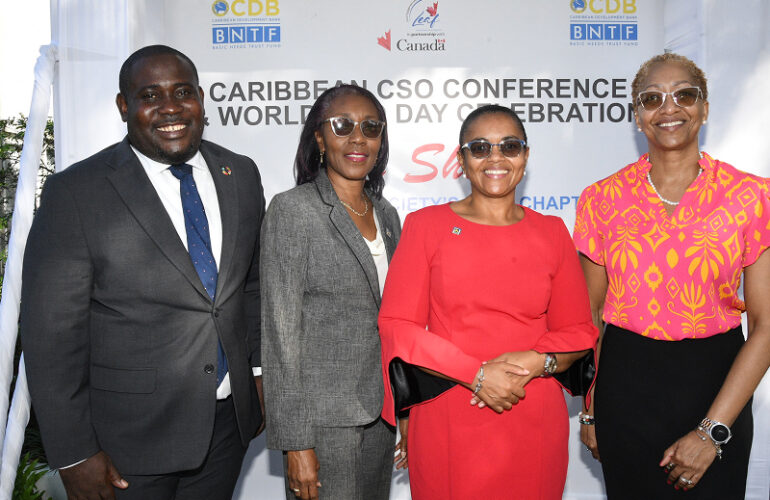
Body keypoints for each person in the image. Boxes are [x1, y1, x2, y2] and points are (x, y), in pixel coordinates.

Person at [20, 45, 265, 500]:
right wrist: (74, 453)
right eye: (150, 95)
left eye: (182, 92)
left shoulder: (241, 175)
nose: (170, 107)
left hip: (226, 431)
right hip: (125, 444)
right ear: (124, 106)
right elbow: (50, 337)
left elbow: (249, 286)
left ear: (201, 99)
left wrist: (256, 370)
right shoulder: (76, 192)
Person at [574, 52, 770, 499]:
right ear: (636, 115)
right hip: (625, 387)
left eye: (684, 94)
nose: (669, 108)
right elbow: (591, 314)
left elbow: (765, 325)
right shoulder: (601, 199)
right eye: (651, 98)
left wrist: (712, 431)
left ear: (704, 107)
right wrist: (589, 411)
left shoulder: (752, 196)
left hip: (718, 382)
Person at [377, 104, 598, 499]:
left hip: (532, 409)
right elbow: (398, 325)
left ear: (525, 157)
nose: (495, 158)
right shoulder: (426, 227)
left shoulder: (552, 232)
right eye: (480, 148)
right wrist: (476, 373)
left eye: (509, 146)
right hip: (450, 409)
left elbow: (580, 330)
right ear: (461, 160)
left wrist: (537, 361)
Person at [261, 84, 403, 500]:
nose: (358, 138)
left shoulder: (387, 213)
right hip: (321, 423)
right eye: (343, 126)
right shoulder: (293, 210)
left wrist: (405, 410)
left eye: (371, 127)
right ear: (320, 138)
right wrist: (296, 441)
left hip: (381, 414)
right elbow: (280, 334)